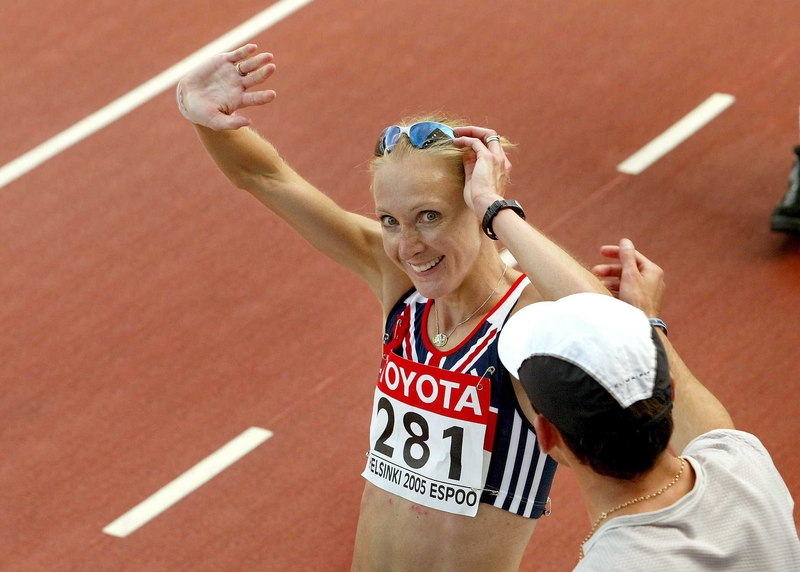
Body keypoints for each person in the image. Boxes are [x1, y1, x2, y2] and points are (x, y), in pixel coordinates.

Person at [176, 44, 608, 571]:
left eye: (429, 215)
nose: (409, 246)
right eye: (390, 221)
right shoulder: (401, 287)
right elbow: (267, 178)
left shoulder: (525, 316)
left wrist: (498, 208)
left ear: (477, 208)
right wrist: (207, 118)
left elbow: (609, 323)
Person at [498, 238, 800, 570]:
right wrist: (645, 318)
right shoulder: (743, 465)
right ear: (669, 391)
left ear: (545, 434)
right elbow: (709, 424)